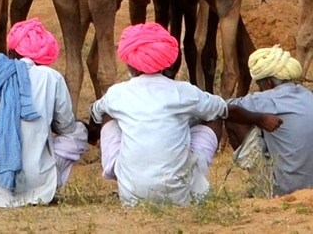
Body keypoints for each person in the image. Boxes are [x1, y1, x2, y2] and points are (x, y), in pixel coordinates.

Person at [90, 23, 228, 206]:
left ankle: (122, 176)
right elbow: (220, 108)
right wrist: (192, 119)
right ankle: (196, 174)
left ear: (130, 63)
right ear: (167, 62)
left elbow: (96, 111)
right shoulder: (183, 92)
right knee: (213, 117)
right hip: (179, 196)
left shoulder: (118, 93)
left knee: (109, 115)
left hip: (131, 197)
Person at [0, 19, 89, 207]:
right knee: (78, 132)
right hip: (37, 186)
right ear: (45, 55)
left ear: (12, 52)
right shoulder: (51, 77)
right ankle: (45, 182)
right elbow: (66, 126)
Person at [226, 46, 310, 197]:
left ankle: (262, 186)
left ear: (268, 83)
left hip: (284, 190)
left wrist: (258, 119)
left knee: (235, 118)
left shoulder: (266, 98)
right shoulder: (308, 95)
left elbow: (225, 108)